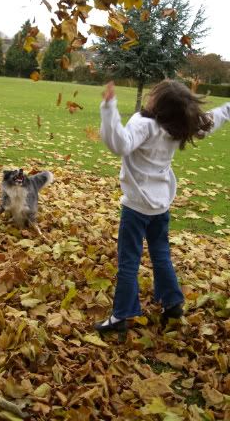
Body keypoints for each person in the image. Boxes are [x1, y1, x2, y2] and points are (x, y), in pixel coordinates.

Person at [95, 80, 230, 333]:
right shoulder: (178, 127)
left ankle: (121, 315)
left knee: (128, 262)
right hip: (160, 207)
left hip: (136, 209)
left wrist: (109, 107)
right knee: (161, 255)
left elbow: (119, 144)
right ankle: (172, 303)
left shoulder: (144, 124)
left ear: (160, 103)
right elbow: (210, 121)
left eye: (154, 94)